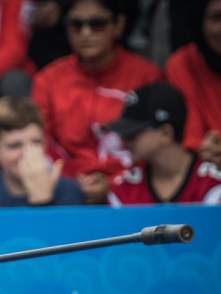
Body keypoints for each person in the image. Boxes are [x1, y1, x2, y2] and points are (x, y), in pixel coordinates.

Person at [31, 0, 163, 204]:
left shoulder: (148, 76)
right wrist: (72, 181)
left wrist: (113, 182)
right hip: (65, 189)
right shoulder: (48, 80)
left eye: (97, 23)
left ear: (118, 25)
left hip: (134, 190)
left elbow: (158, 145)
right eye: (76, 24)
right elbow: (40, 143)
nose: (85, 33)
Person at [103, 82, 221, 205]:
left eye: (132, 134)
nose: (124, 141)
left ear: (165, 133)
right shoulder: (123, 188)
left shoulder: (212, 182)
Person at [0, 96, 84, 207]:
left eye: (36, 143)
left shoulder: (68, 191)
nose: (27, 153)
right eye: (15, 145)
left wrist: (42, 199)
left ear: (46, 145)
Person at [166, 0, 221, 168]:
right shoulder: (184, 63)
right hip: (207, 175)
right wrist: (206, 150)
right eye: (216, 17)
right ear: (199, 21)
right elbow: (192, 140)